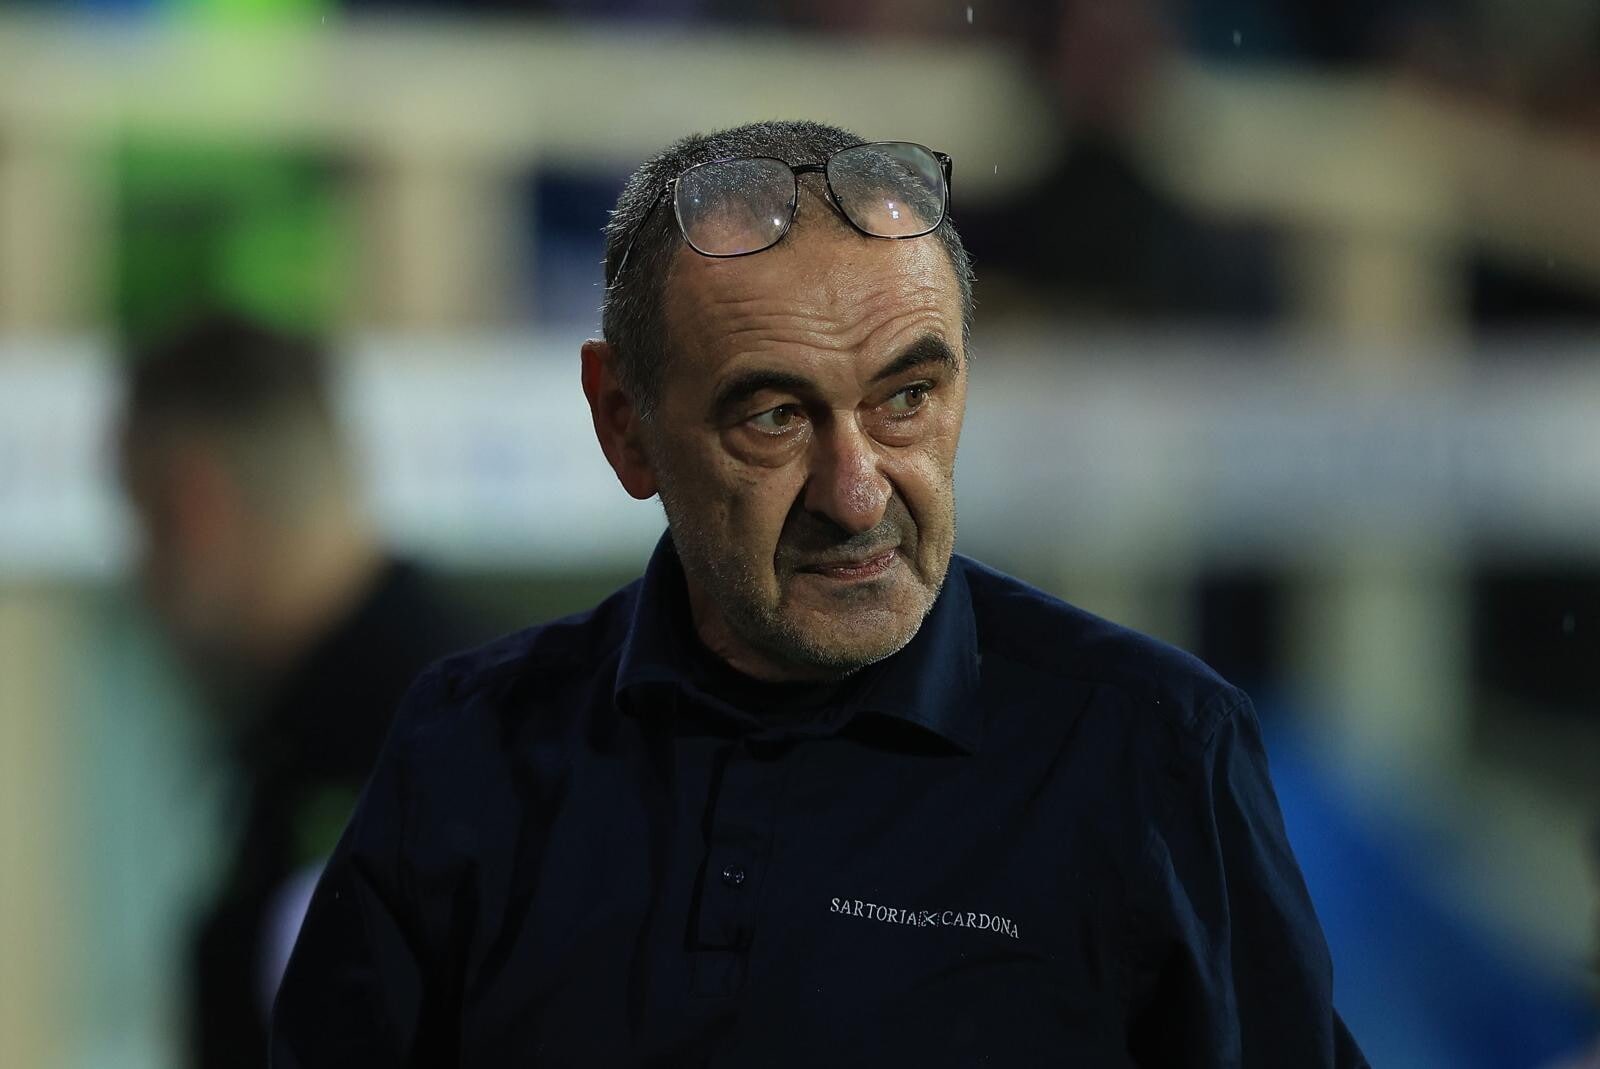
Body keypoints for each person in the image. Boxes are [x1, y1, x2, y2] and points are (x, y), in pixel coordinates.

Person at [271, 120, 1366, 1066]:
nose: (856, 494)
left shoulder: (1156, 753)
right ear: (624, 425)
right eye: (774, 417)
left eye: (906, 398)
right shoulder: (467, 752)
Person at [118, 315, 484, 1069]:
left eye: (141, 527)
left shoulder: (440, 740)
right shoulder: (449, 710)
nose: (140, 581)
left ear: (195, 507)